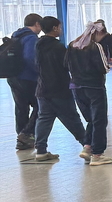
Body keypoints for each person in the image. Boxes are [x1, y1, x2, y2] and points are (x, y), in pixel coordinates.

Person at [32, 17, 89, 163]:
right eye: (60, 27)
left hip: (42, 89)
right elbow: (68, 65)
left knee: (44, 119)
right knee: (72, 118)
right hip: (59, 89)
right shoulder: (59, 47)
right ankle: (88, 146)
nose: (61, 29)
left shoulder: (38, 45)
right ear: (55, 28)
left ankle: (41, 150)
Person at [66, 21, 112, 166]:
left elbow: (65, 64)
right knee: (99, 120)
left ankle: (88, 146)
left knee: (91, 119)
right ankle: (98, 154)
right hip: (94, 87)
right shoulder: (95, 47)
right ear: (98, 33)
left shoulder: (72, 45)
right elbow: (104, 67)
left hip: (76, 86)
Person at [8, 13, 42, 151]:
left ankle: (21, 138)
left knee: (21, 108)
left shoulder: (16, 36)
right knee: (40, 106)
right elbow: (30, 57)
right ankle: (26, 133)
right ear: (37, 24)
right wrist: (39, 72)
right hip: (28, 77)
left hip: (13, 77)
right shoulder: (31, 38)